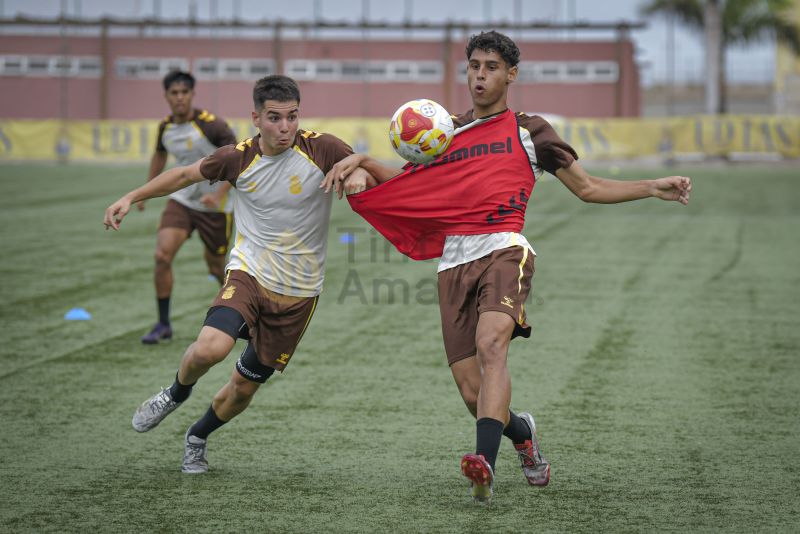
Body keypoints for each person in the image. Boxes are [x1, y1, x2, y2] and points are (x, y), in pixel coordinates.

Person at [323, 30, 692, 502]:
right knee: (471, 391)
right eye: (474, 65)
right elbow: (412, 186)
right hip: (454, 261)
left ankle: (485, 467)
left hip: (505, 249)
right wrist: (365, 161)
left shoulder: (529, 129)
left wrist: (651, 186)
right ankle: (521, 435)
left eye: (491, 67)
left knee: (492, 343)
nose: (480, 74)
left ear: (511, 74)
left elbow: (588, 187)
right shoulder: (445, 131)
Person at [104, 75, 367, 473]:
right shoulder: (237, 157)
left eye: (292, 117)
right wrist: (130, 196)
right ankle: (174, 393)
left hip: (299, 292)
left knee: (243, 389)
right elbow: (182, 175)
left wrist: (359, 171)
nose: (285, 127)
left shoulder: (323, 148)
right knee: (212, 347)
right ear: (256, 118)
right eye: (275, 118)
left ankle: (197, 436)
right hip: (250, 273)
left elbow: (359, 167)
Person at [139, 70, 238, 345]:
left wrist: (219, 194)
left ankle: (240, 314)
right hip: (182, 201)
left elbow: (238, 159)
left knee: (217, 268)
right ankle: (163, 324)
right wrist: (147, 191)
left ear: (193, 95)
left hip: (216, 208)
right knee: (162, 255)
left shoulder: (213, 125)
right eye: (174, 93)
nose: (180, 98)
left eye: (184, 93)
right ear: (167, 96)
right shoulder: (165, 128)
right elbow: (159, 154)